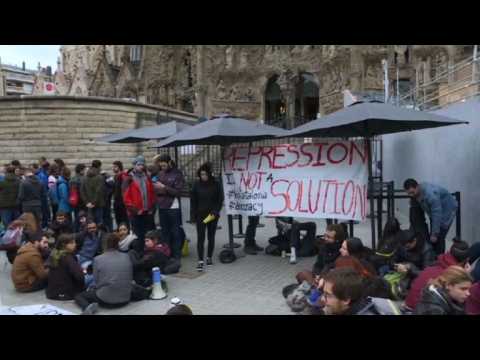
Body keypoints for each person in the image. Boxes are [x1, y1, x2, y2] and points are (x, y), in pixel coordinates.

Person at [74, 233, 139, 315]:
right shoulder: (126, 256)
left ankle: (86, 306)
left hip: (106, 300)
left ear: (104, 244)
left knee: (78, 296)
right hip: (126, 298)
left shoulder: (98, 259)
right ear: (117, 243)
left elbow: (97, 281)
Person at [404, 238, 470, 310]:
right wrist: (465, 275)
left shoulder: (437, 264)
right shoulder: (451, 276)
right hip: (420, 309)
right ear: (465, 262)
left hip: (410, 304)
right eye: (463, 289)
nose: (467, 293)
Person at [404, 178, 458, 255]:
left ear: (417, 187)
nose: (411, 195)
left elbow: (437, 214)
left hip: (447, 211)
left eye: (412, 192)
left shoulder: (431, 195)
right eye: (408, 193)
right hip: (435, 211)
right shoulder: (418, 191)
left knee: (439, 237)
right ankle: (434, 256)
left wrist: (434, 233)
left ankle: (439, 259)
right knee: (434, 237)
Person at [320, 267, 400, 315]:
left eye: (328, 295)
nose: (322, 299)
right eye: (323, 293)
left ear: (346, 299)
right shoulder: (367, 300)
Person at [190, 163, 223, 271]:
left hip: (212, 215)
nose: (203, 176)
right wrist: (193, 217)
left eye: (204, 174)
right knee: (200, 237)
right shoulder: (196, 184)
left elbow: (220, 199)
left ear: (209, 174)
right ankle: (200, 260)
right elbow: (193, 201)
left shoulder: (216, 184)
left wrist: (215, 211)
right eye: (201, 174)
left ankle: (209, 257)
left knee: (211, 236)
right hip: (200, 214)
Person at [154, 154, 185, 260]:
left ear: (169, 163)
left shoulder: (177, 174)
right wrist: (164, 189)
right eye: (161, 166)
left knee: (175, 231)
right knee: (164, 232)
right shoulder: (159, 173)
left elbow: (177, 192)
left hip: (173, 207)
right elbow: (156, 190)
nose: (162, 168)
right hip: (162, 206)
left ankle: (177, 255)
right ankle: (167, 254)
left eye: (164, 165)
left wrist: (164, 187)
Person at [123, 155, 156, 254]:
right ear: (134, 165)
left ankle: (149, 253)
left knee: (149, 235)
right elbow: (126, 198)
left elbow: (152, 194)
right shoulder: (129, 179)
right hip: (136, 213)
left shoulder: (147, 177)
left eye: (142, 164)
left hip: (147, 212)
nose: (141, 166)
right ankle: (139, 254)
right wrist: (135, 210)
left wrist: (152, 208)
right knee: (138, 236)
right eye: (138, 164)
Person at [45, 233, 85, 300]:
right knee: (90, 277)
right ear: (64, 245)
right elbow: (80, 277)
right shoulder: (68, 258)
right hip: (66, 293)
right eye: (72, 243)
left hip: (51, 292)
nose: (75, 244)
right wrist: (83, 272)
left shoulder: (53, 253)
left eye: (74, 242)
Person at [112, 161, 129, 228]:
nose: (113, 168)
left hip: (122, 201)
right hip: (117, 200)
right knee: (118, 218)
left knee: (124, 218)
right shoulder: (115, 176)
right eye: (113, 167)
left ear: (119, 167)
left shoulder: (123, 175)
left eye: (115, 167)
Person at [70, 163, 86, 232]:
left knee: (76, 217)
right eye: (84, 170)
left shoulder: (72, 179)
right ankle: (82, 230)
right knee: (83, 217)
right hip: (82, 202)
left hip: (75, 201)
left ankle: (76, 230)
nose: (85, 171)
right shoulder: (83, 179)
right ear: (81, 170)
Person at [36, 160, 50, 229]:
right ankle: (44, 225)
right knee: (44, 211)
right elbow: (44, 186)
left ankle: (44, 224)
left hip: (41, 195)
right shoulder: (42, 175)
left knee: (44, 211)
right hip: (43, 195)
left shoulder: (41, 174)